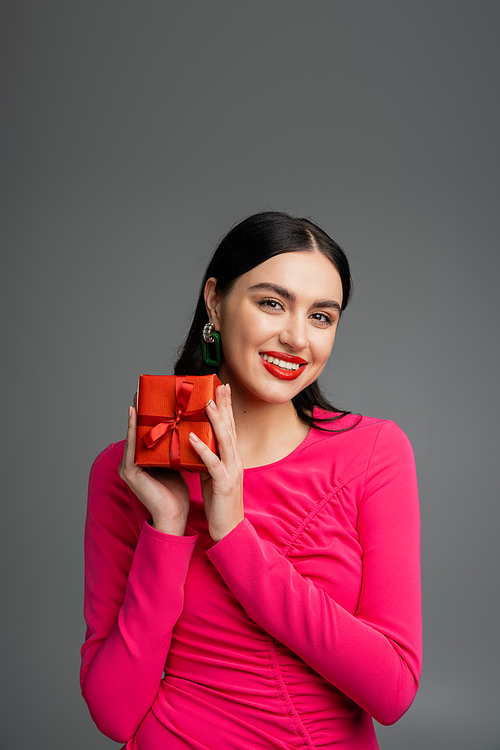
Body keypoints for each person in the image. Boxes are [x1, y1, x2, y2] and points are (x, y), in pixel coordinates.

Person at [80, 211, 421, 749]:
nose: (296, 338)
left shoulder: (373, 453)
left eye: (321, 317)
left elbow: (393, 691)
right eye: (272, 303)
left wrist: (235, 537)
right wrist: (166, 528)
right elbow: (114, 714)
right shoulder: (128, 472)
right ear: (215, 301)